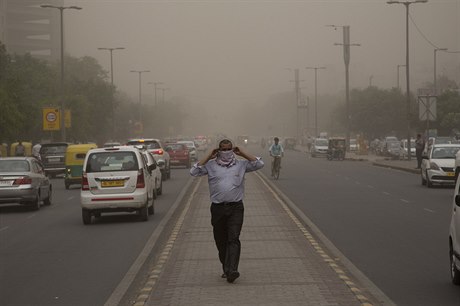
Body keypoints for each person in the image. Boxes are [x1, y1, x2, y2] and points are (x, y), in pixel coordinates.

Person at [190, 139, 264, 283]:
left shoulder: (241, 165)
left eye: (229, 149)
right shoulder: (211, 166)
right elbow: (194, 171)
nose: (226, 152)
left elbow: (259, 164)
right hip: (218, 208)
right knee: (221, 240)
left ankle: (232, 270)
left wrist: (242, 153)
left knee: (233, 238)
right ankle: (226, 267)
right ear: (218, 150)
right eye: (223, 150)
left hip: (236, 207)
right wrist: (208, 156)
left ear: (233, 149)